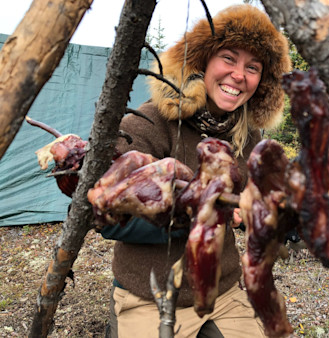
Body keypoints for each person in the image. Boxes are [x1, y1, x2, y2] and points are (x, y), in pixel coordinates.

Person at [101, 4, 291, 337]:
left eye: (253, 67)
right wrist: (199, 209)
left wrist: (262, 213)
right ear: (202, 59)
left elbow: (250, 206)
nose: (239, 75)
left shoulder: (248, 135)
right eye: (228, 58)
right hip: (148, 294)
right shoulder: (149, 123)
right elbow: (105, 219)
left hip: (225, 291)